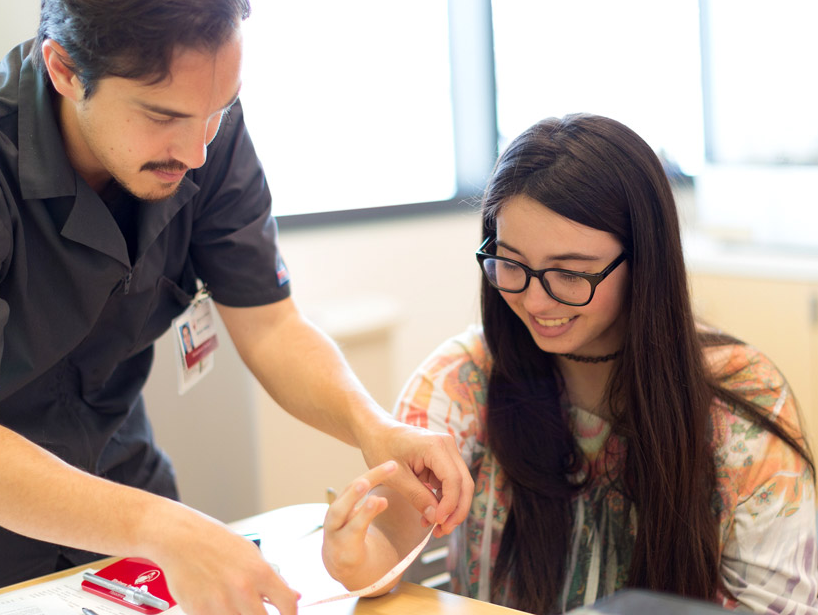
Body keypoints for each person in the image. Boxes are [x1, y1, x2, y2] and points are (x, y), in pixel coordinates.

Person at [0, 0, 473, 613]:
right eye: (164, 117)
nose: (199, 151)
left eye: (219, 110)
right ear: (65, 69)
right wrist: (167, 528)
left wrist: (372, 427)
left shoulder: (205, 133)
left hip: (115, 462)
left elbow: (271, 326)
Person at [321, 114, 817, 614]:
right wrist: (360, 560)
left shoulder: (745, 400)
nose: (536, 302)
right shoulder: (463, 378)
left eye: (570, 274)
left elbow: (777, 605)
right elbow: (395, 532)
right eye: (511, 263)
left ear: (644, 259)